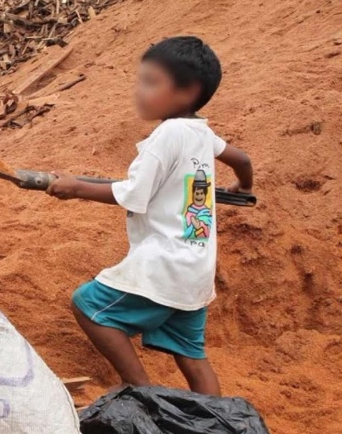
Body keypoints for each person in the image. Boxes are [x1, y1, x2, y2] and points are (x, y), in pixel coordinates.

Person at [46, 36, 253, 396]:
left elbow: (132, 195)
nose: (139, 92)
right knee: (191, 357)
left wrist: (75, 189)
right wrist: (242, 186)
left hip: (164, 264)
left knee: (89, 306)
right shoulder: (201, 133)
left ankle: (141, 391)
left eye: (151, 83)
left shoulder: (167, 134)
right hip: (196, 270)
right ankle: (218, 420)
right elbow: (242, 160)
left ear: (188, 91)